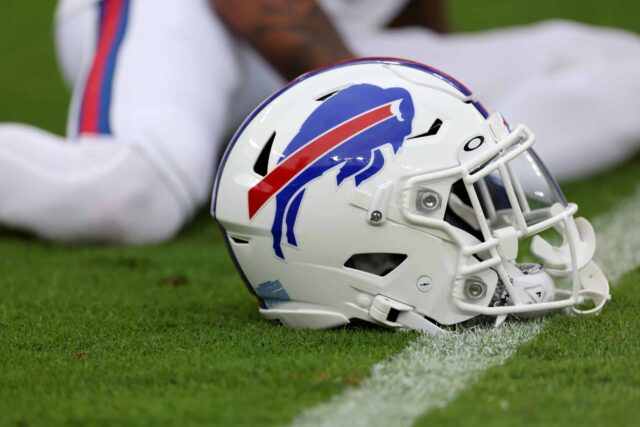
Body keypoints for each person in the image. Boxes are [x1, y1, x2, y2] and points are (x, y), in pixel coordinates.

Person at [1, 0, 639, 245]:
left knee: (620, 68)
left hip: (338, 32)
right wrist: (388, 142)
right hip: (184, 17)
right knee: (126, 195)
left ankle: (244, 144)